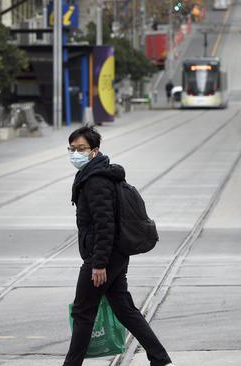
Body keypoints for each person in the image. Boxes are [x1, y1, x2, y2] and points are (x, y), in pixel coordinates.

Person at [63, 126, 174, 366]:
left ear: (95, 150)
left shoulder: (95, 181)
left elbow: (105, 225)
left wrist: (99, 263)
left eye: (81, 149)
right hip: (116, 254)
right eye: (71, 149)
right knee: (124, 308)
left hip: (103, 257)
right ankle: (160, 358)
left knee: (83, 312)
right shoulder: (97, 174)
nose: (75, 154)